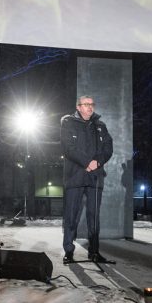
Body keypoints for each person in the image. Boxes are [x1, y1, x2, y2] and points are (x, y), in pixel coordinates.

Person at [60, 95, 113, 264]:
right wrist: (86, 163)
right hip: (75, 176)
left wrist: (97, 162)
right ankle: (69, 251)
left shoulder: (100, 125)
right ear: (78, 107)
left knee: (94, 216)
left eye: (92, 104)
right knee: (71, 216)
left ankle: (94, 252)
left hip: (95, 177)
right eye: (86, 104)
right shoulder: (68, 122)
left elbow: (108, 148)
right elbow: (69, 148)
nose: (90, 107)